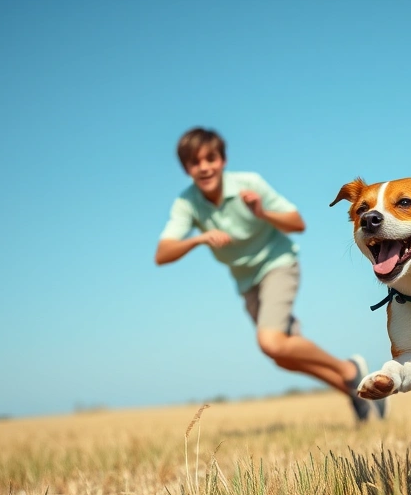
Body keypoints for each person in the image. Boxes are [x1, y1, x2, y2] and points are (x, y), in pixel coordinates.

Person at [155, 127, 385, 422]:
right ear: (186, 168)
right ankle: (356, 393)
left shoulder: (248, 184)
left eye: (210, 158)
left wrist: (262, 212)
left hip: (277, 264)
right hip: (247, 282)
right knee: (283, 357)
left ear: (222, 160)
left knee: (270, 342)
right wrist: (197, 239)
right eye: (194, 162)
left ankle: (350, 371)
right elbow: (163, 254)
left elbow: (297, 223)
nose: (204, 167)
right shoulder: (187, 203)